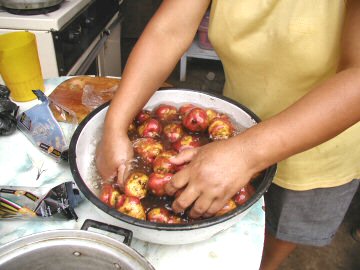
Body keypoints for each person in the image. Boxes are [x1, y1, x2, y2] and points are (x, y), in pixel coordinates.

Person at [96, 1, 360, 269]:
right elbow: (169, 30)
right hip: (234, 131)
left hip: (321, 143)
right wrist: (115, 126)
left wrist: (246, 154)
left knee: (275, 236)